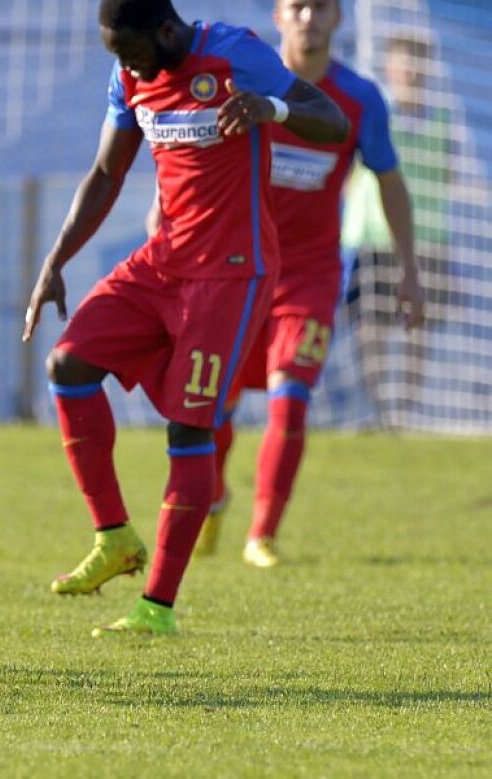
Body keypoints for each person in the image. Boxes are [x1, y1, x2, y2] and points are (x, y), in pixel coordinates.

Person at [22, 0, 349, 636]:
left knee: (189, 429)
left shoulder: (234, 53)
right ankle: (114, 537)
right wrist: (55, 261)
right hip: (162, 261)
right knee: (69, 363)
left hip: (233, 272)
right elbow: (106, 171)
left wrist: (271, 108)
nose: (123, 65)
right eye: (115, 52)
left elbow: (331, 122)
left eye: (131, 51)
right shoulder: (129, 76)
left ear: (167, 33)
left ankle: (157, 605)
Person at [192, 0, 425, 568]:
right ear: (278, 15)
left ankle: (262, 535)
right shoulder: (241, 84)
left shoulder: (360, 98)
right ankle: (213, 495)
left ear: (337, 19)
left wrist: (409, 268)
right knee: (212, 407)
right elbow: (196, 157)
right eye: (297, 6)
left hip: (311, 278)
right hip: (239, 270)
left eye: (321, 7)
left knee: (291, 398)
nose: (308, 18)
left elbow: (388, 179)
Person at [342, 32, 450, 427]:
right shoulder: (374, 112)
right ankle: (380, 412)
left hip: (426, 240)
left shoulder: (441, 121)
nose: (410, 70)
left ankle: (404, 412)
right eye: (403, 61)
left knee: (417, 330)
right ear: (390, 66)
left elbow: (450, 174)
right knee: (369, 326)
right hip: (370, 237)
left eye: (417, 61)